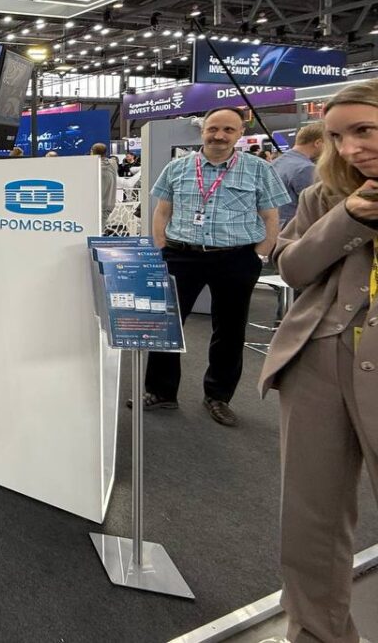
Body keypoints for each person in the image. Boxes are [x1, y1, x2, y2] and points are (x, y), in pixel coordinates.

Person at [259, 80, 378, 643]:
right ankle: (315, 632)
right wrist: (348, 217)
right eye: (336, 136)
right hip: (319, 357)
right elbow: (293, 267)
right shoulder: (324, 194)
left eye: (364, 130)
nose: (350, 147)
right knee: (311, 517)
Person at [145, 107, 290, 426]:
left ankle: (218, 396)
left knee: (230, 329)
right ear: (203, 131)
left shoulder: (258, 169)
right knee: (166, 325)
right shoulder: (177, 167)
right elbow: (162, 211)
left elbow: (270, 216)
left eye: (228, 129)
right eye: (213, 128)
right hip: (182, 255)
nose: (219, 135)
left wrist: (260, 254)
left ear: (239, 134)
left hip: (236, 258)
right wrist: (161, 246)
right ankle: (161, 391)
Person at [271, 122, 325, 227]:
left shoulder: (276, 163)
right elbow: (316, 208)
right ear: (318, 143)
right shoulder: (306, 168)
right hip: (294, 229)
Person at [91, 143, 118, 222]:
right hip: (109, 204)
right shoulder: (113, 163)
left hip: (99, 206)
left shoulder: (95, 166)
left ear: (92, 152)